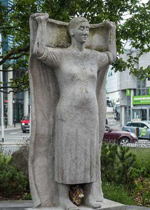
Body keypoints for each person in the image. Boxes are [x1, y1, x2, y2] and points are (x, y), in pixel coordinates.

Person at [33, 14, 116, 210]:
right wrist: (42, 24)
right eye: (81, 28)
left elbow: (112, 56)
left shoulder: (94, 57)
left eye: (87, 28)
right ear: (71, 31)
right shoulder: (61, 56)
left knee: (89, 154)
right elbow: (39, 52)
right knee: (66, 153)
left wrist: (111, 31)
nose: (85, 32)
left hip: (90, 113)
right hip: (67, 113)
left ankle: (87, 196)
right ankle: (63, 198)